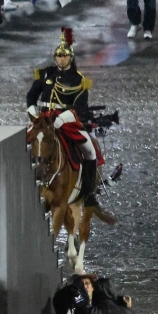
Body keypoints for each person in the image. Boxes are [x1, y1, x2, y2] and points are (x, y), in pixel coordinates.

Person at [27, 28, 104, 206]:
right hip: (43, 120)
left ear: (70, 58)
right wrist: (32, 112)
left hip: (66, 121)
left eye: (65, 56)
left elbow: (80, 106)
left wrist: (62, 119)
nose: (61, 59)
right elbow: (31, 96)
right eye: (58, 56)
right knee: (24, 143)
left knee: (89, 150)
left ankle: (88, 192)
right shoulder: (46, 74)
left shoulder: (79, 79)